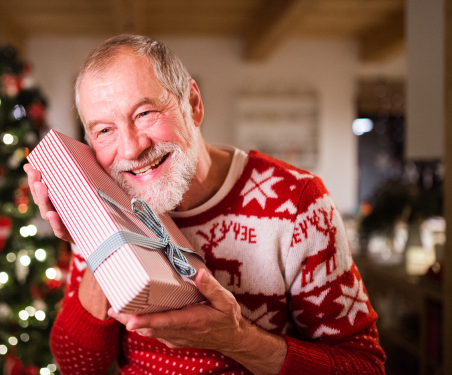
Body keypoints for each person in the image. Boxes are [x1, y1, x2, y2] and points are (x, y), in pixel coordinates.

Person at [24, 34, 385, 375]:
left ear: (193, 104)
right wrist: (96, 240)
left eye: (145, 113)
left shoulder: (298, 202)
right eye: (105, 130)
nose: (132, 149)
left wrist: (237, 340)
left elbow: (365, 366)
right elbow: (77, 365)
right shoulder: (106, 195)